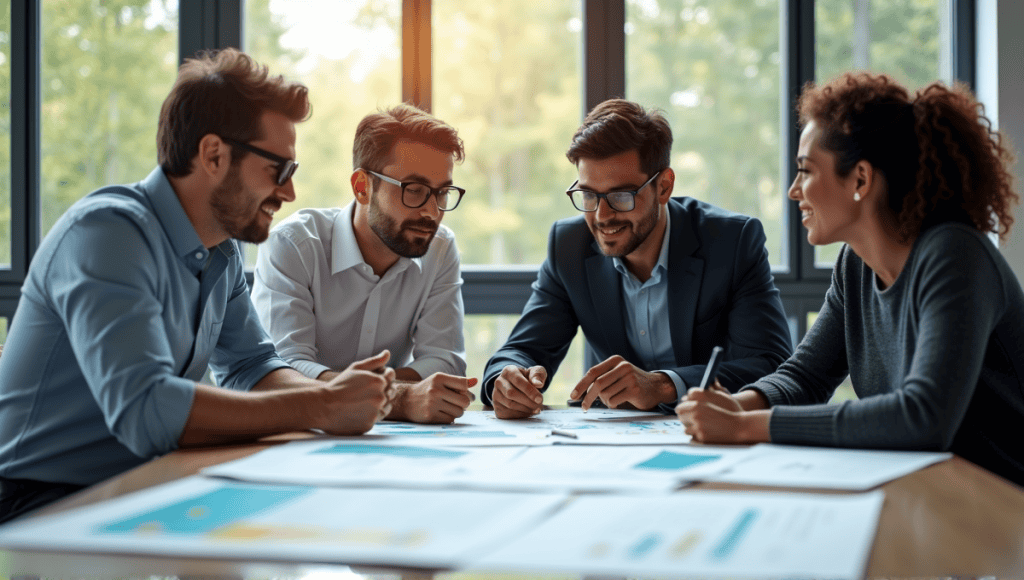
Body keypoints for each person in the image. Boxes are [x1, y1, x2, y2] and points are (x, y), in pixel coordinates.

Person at [0, 48, 395, 523]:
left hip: (139, 487)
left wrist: (336, 389)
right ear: (213, 154)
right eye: (279, 170)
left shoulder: (221, 252)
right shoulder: (107, 234)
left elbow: (252, 366)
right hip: (35, 506)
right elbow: (148, 410)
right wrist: (322, 404)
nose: (290, 192)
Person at [676, 72, 1024, 487]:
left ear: (860, 179)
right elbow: (805, 376)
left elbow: (923, 418)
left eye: (805, 171)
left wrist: (743, 427)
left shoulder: (954, 255)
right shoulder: (855, 264)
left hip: (1000, 507)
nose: (793, 191)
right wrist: (736, 406)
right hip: (931, 491)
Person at [482, 99, 793, 419]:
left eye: (620, 196)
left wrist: (664, 385)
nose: (602, 216)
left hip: (715, 430)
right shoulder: (569, 246)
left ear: (664, 186)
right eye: (588, 194)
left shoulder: (731, 242)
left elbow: (770, 365)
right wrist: (506, 380)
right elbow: (524, 349)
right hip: (614, 441)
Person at [252, 105, 475, 424]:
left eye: (441, 193)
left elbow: (444, 363)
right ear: (362, 187)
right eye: (414, 190)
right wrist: (399, 398)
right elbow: (284, 369)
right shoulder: (294, 245)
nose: (431, 212)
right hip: (303, 433)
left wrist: (362, 393)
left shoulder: (439, 247)